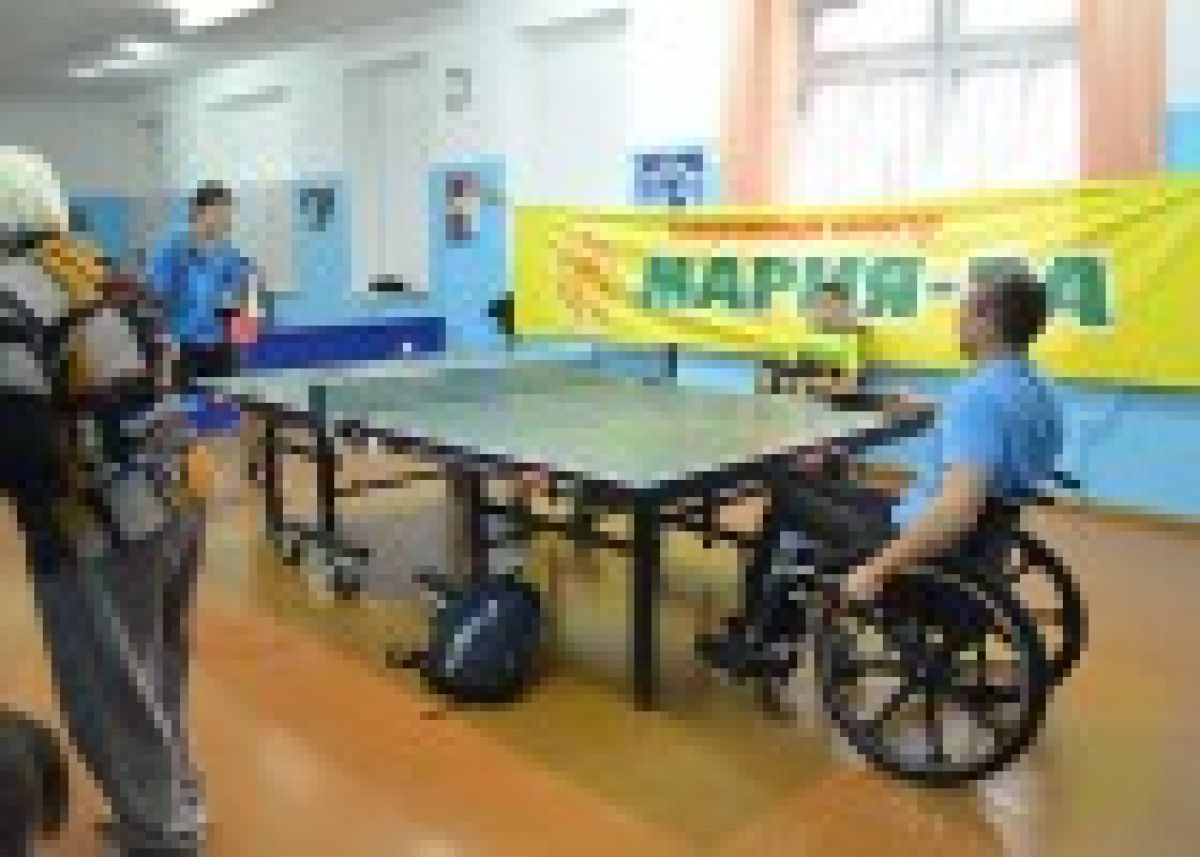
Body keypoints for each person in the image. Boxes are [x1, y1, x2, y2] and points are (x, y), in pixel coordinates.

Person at [1, 147, 208, 855]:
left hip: (101, 521)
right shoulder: (107, 269)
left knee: (107, 685)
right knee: (160, 666)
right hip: (182, 489)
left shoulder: (10, 295)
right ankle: (178, 800)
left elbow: (22, 442)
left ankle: (159, 835)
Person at [835, 269, 1063, 601]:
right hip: (987, 544)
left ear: (987, 320)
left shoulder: (977, 398)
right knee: (839, 492)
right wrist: (939, 408)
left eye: (965, 310)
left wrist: (876, 570)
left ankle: (778, 619)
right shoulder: (1036, 389)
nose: (958, 321)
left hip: (926, 540)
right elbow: (996, 431)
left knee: (792, 494)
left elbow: (958, 510)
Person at [148, 181, 255, 388]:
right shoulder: (172, 250)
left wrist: (241, 342)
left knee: (227, 401)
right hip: (183, 347)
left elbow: (241, 297)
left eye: (229, 214)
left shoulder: (229, 253)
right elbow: (157, 300)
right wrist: (164, 348)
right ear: (201, 212)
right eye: (221, 213)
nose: (227, 220)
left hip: (221, 347)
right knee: (185, 404)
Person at [759, 281, 866, 398]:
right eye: (825, 305)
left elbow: (848, 387)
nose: (827, 311)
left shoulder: (850, 340)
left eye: (833, 306)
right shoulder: (805, 335)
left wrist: (807, 383)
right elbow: (776, 378)